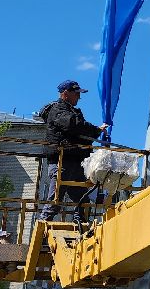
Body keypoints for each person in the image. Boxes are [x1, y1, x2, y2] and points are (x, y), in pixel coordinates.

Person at [36, 80, 109, 224]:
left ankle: (79, 226)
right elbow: (74, 125)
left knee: (82, 200)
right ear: (65, 94)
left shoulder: (69, 110)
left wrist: (93, 133)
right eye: (76, 93)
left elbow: (79, 131)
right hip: (62, 162)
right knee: (54, 201)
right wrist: (96, 130)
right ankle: (40, 233)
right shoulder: (58, 110)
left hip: (74, 161)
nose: (79, 97)